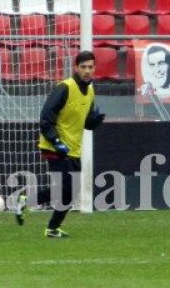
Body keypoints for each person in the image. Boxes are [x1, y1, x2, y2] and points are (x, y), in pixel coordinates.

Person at [15, 50, 105, 238]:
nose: (87, 71)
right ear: (76, 68)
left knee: (69, 192)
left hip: (74, 148)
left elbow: (86, 123)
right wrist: (56, 141)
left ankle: (50, 226)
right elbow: (45, 118)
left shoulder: (90, 90)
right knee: (66, 188)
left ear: (94, 68)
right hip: (54, 146)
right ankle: (42, 218)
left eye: (90, 67)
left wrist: (95, 121)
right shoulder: (64, 88)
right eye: (83, 67)